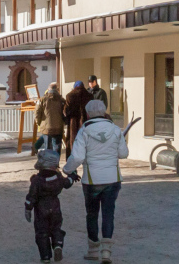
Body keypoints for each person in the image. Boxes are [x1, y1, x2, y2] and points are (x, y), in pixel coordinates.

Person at [64, 99, 127, 263]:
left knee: (92, 214)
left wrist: (67, 169)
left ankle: (93, 250)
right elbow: (124, 153)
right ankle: (106, 251)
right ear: (104, 112)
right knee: (108, 213)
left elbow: (77, 156)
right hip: (113, 179)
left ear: (87, 114)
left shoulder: (84, 130)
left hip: (92, 181)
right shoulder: (115, 129)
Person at [25, 147, 75, 263]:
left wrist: (28, 208)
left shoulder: (37, 180)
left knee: (42, 233)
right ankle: (57, 245)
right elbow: (67, 183)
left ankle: (45, 257)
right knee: (56, 228)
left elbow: (31, 196)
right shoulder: (58, 177)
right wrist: (72, 177)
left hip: (41, 209)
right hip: (55, 207)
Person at [35, 83, 67, 156]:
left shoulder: (42, 100)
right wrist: (63, 122)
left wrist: (39, 123)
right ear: (57, 90)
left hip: (46, 128)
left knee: (48, 147)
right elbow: (65, 113)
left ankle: (48, 164)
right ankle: (55, 164)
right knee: (57, 147)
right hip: (58, 127)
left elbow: (37, 113)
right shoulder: (62, 100)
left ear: (48, 89)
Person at [64, 80, 94, 149]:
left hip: (73, 123)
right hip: (87, 122)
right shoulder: (89, 96)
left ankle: (73, 157)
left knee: (73, 141)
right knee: (86, 142)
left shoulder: (70, 96)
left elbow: (66, 111)